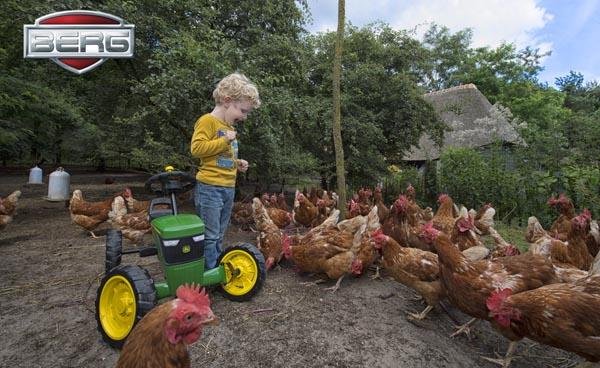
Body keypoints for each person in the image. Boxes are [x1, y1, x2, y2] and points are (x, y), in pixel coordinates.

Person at [190, 73, 260, 269]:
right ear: (227, 101)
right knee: (210, 235)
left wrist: (237, 163)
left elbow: (221, 157)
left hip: (227, 188)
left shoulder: (228, 127)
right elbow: (197, 149)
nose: (244, 117)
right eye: (243, 111)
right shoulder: (207, 121)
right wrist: (224, 140)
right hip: (210, 188)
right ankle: (208, 275)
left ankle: (213, 269)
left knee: (219, 234)